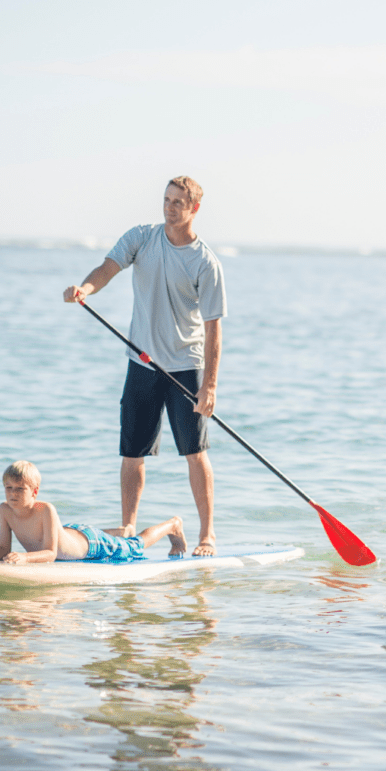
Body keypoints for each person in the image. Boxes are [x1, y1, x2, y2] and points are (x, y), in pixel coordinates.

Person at [63, 175, 227, 557]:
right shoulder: (142, 237)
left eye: (178, 203)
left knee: (194, 452)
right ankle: (128, 531)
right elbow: (107, 268)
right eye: (166, 200)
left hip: (185, 367)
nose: (170, 208)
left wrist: (211, 386)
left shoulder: (206, 262)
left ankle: (207, 535)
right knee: (132, 452)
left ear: (194, 209)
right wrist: (85, 289)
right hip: (142, 364)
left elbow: (213, 328)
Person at [0, 461, 187, 564]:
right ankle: (120, 530)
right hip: (70, 532)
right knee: (120, 537)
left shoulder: (46, 509)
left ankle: (172, 525)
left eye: (20, 489)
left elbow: (50, 553)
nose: (13, 494)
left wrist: (25, 558)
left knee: (135, 546)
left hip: (91, 543)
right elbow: (3, 548)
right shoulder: (5, 510)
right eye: (8, 488)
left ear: (35, 492)